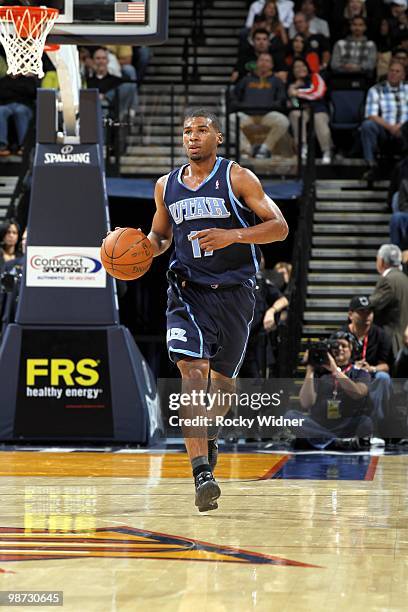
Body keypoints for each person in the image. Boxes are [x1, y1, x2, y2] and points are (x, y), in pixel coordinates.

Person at [111, 108, 288, 511]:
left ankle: (209, 436)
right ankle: (200, 473)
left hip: (236, 292)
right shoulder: (166, 186)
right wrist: (140, 250)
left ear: (218, 138)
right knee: (193, 375)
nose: (193, 136)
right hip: (187, 293)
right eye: (187, 131)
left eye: (202, 130)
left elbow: (279, 227)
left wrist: (233, 235)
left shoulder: (237, 177)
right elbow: (160, 236)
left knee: (223, 385)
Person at [286, 331, 372, 450]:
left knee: (366, 421)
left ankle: (317, 441)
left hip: (345, 425)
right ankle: (335, 442)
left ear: (352, 349)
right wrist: (310, 370)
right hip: (320, 424)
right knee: (290, 417)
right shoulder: (320, 373)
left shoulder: (359, 372)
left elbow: (358, 393)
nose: (340, 349)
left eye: (344, 346)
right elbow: (306, 403)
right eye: (336, 346)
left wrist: (335, 370)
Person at [342, 295, 393, 428]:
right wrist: (353, 367)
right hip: (349, 375)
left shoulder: (381, 334)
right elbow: (336, 363)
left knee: (383, 377)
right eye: (362, 312)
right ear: (350, 315)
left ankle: (376, 425)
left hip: (371, 374)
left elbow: (387, 365)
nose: (367, 316)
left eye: (369, 312)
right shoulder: (341, 335)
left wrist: (372, 368)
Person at [229, 53, 289, 159]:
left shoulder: (276, 81)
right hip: (248, 115)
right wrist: (243, 106)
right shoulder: (246, 79)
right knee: (230, 120)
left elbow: (281, 99)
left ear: (271, 65)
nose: (264, 63)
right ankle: (248, 149)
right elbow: (234, 96)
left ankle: (265, 149)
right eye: (261, 60)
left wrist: (268, 106)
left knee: (283, 121)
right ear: (257, 63)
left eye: (267, 61)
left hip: (267, 115)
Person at [361, 61, 408, 181]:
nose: (393, 73)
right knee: (368, 125)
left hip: (405, 130)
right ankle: (371, 166)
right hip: (384, 131)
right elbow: (371, 115)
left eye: (397, 71)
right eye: (391, 70)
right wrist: (391, 127)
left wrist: (401, 126)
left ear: (403, 75)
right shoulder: (376, 90)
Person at [287, 57, 332, 163]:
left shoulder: (315, 77)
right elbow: (294, 104)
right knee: (295, 114)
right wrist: (293, 90)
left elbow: (317, 92)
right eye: (296, 67)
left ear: (307, 68)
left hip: (318, 109)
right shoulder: (292, 85)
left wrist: (297, 93)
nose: (300, 69)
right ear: (293, 71)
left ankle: (326, 151)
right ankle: (302, 148)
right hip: (303, 110)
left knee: (318, 119)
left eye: (302, 66)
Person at [370, 244, 408, 358]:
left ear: (381, 261)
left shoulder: (388, 280)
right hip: (402, 338)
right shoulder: (404, 278)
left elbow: (372, 305)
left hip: (392, 342)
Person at [86, 47, 137, 120]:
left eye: (103, 58)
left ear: (108, 61)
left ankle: (126, 112)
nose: (101, 61)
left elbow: (130, 86)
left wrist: (105, 96)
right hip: (95, 115)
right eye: (98, 58)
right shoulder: (89, 81)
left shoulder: (115, 80)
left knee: (128, 86)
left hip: (114, 113)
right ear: (93, 61)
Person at [0, 74, 37, 157]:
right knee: (1, 111)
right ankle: (2, 146)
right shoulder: (4, 80)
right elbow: (2, 93)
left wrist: (11, 90)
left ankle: (24, 145)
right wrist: (18, 90)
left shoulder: (28, 79)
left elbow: (32, 92)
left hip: (24, 105)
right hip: (6, 105)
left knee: (20, 111)